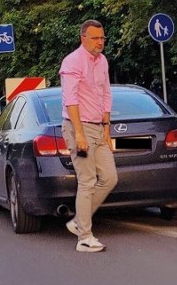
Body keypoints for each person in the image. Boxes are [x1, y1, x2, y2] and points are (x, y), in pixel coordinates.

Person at [59, 19, 118, 253]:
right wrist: (80, 134)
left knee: (110, 177)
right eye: (95, 38)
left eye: (102, 38)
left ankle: (78, 222)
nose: (100, 42)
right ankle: (84, 237)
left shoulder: (102, 61)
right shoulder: (72, 62)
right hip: (77, 128)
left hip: (97, 127)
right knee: (87, 181)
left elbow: (106, 92)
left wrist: (106, 125)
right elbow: (70, 99)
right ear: (83, 38)